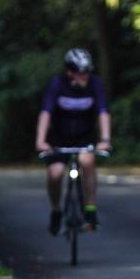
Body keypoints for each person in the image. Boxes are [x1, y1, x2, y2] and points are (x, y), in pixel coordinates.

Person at [35, 48, 111, 234]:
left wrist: (105, 139)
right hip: (59, 137)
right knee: (55, 173)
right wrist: (41, 140)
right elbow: (46, 113)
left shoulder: (95, 84)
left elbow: (103, 112)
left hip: (85, 136)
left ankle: (90, 210)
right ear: (69, 72)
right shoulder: (57, 84)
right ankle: (56, 210)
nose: (85, 76)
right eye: (80, 72)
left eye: (87, 72)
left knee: (87, 161)